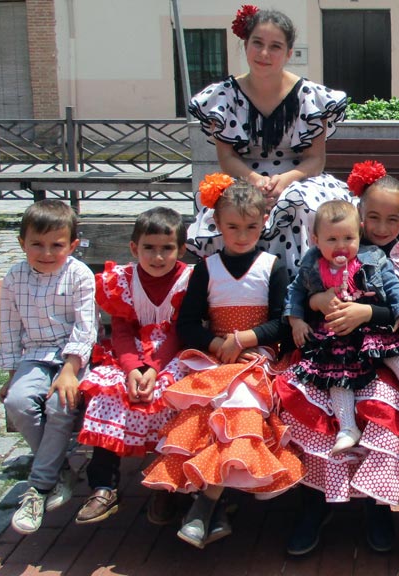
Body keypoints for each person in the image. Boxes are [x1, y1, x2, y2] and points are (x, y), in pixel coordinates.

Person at [276, 163, 399, 557]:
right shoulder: (335, 244)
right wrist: (315, 302)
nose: (381, 227)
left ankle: (376, 505)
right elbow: (301, 292)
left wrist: (369, 313)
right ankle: (315, 503)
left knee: (381, 410)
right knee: (318, 412)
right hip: (328, 352)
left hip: (385, 358)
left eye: (391, 219)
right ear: (360, 214)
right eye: (373, 217)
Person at [142, 176, 303, 549]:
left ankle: (205, 506)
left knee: (241, 402)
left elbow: (282, 321)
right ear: (216, 223)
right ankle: (215, 507)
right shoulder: (207, 268)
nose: (242, 235)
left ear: (264, 222)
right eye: (232, 227)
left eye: (251, 227)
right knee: (205, 411)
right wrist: (218, 343)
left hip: (256, 356)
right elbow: (187, 324)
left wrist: (245, 339)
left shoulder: (272, 266)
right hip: (214, 357)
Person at [186, 6, 352, 274]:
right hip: (244, 178)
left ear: (288, 53)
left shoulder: (310, 96)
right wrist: (256, 181)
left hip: (298, 177)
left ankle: (300, 286)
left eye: (275, 46)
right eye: (257, 43)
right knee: (236, 207)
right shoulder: (223, 96)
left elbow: (315, 160)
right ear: (245, 45)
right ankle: (235, 287)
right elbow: (227, 158)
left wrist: (284, 181)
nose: (264, 53)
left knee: (298, 203)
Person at [75, 207, 193, 525]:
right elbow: (121, 331)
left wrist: (153, 369)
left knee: (174, 397)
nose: (158, 257)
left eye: (167, 248)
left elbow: (179, 331)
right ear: (134, 248)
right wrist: (132, 369)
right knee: (108, 395)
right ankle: (104, 485)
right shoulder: (123, 281)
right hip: (128, 356)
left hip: (171, 356)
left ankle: (167, 484)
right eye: (149, 248)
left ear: (181, 249)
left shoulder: (188, 280)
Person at [0, 200, 96, 535]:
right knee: (17, 402)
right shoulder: (15, 277)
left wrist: (69, 371)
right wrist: (12, 376)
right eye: (37, 244)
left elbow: (86, 329)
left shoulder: (79, 274)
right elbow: (10, 328)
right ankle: (60, 470)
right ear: (22, 243)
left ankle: (38, 487)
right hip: (34, 356)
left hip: (74, 357)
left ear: (72, 245)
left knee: (61, 403)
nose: (47, 252)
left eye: (57, 245)